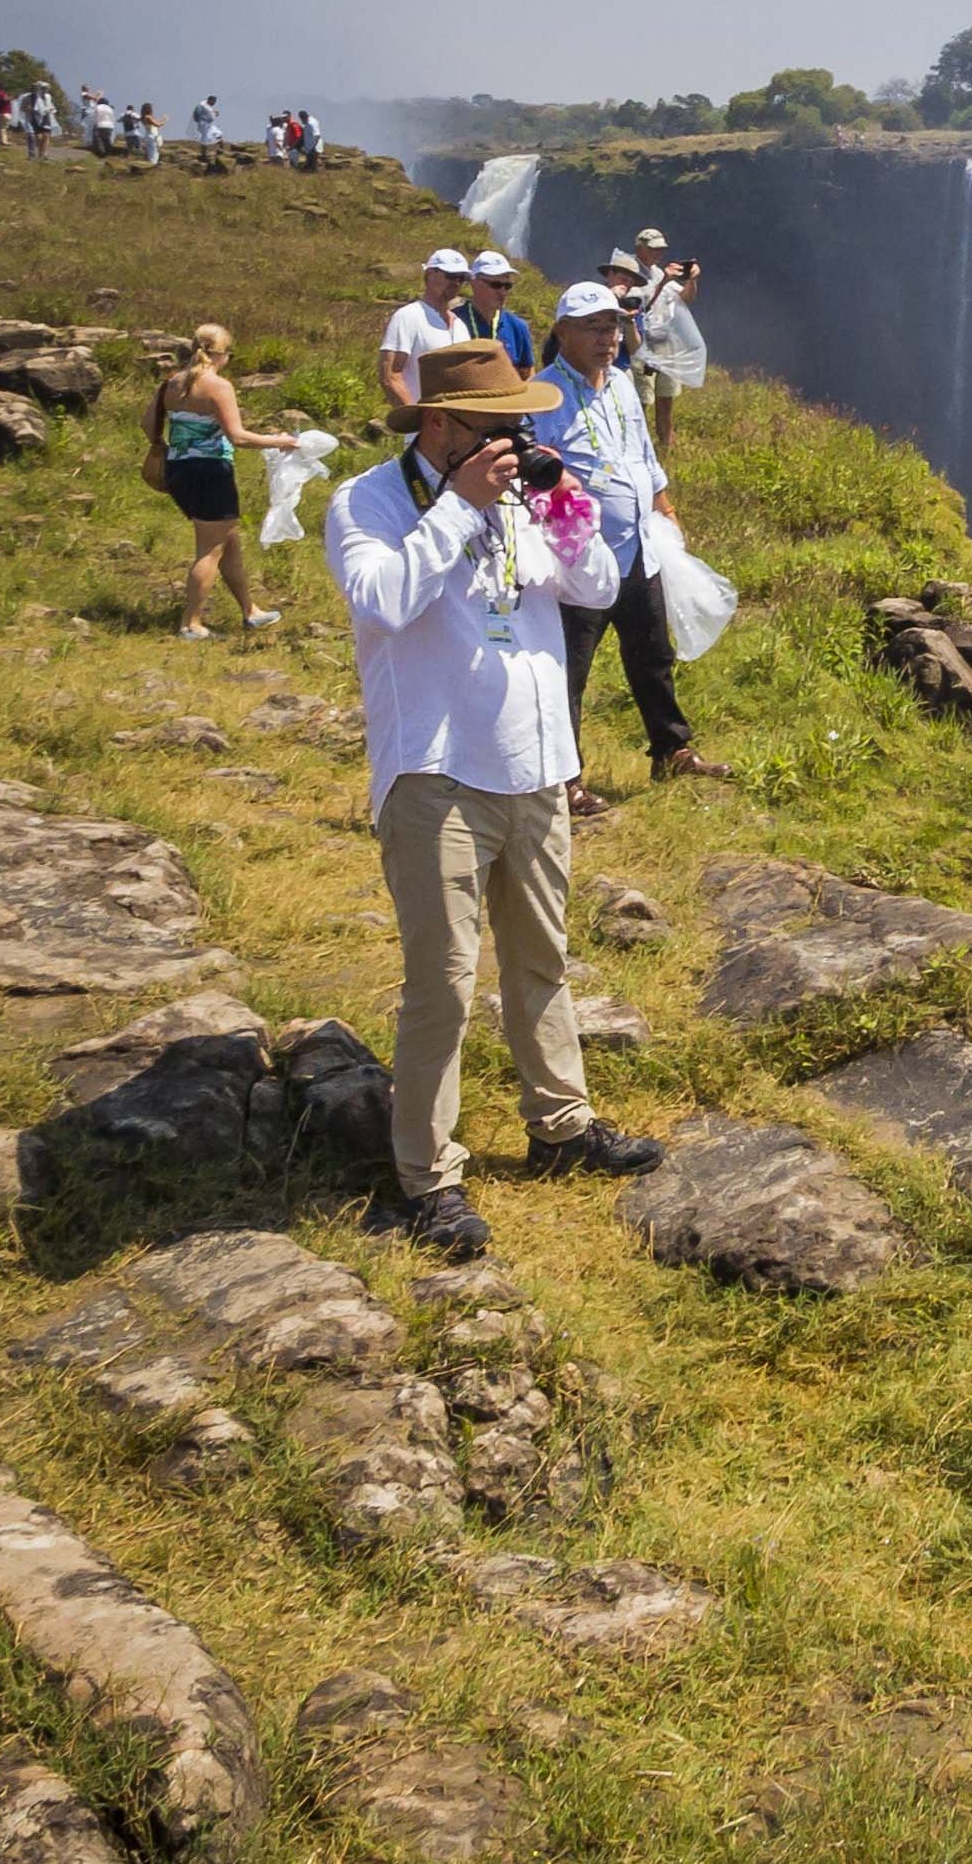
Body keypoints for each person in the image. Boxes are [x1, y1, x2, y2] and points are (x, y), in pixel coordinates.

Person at [322, 339, 664, 1260]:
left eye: (522, 425)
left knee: (543, 958)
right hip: (436, 768)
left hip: (536, 764)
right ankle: (426, 1178)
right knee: (441, 982)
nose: (515, 441)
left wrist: (556, 499)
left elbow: (595, 582)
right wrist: (458, 508)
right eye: (496, 428)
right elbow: (381, 599)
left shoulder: (523, 493)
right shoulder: (370, 501)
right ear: (440, 425)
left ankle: (561, 1127)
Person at [538, 282, 734, 815]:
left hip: (637, 550)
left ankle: (672, 749)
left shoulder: (623, 383)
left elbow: (643, 456)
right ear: (563, 333)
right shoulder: (542, 396)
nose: (608, 338)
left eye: (613, 326)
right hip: (577, 560)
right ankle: (564, 780)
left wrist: (665, 508)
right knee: (568, 671)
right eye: (594, 327)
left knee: (653, 656)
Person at [144, 325, 291, 639]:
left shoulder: (170, 384)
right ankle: (191, 623)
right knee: (210, 549)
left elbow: (148, 426)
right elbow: (237, 436)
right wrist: (277, 440)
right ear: (220, 354)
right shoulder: (217, 386)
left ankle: (250, 611)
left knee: (228, 542)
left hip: (178, 471)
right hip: (210, 472)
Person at [624, 230, 707, 457]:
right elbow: (639, 305)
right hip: (642, 345)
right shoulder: (629, 272)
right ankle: (632, 449)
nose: (658, 253)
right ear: (640, 247)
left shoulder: (659, 273)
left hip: (667, 345)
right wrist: (664, 281)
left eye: (660, 248)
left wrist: (692, 279)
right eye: (653, 248)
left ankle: (666, 451)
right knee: (640, 401)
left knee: (665, 403)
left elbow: (686, 299)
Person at [382, 249, 472, 414]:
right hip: (424, 432)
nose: (457, 283)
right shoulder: (408, 317)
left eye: (462, 278)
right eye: (451, 276)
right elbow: (390, 376)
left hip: (458, 429)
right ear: (430, 274)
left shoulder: (460, 326)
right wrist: (418, 420)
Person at [460, 252, 537, 373]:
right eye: (496, 285)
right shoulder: (454, 322)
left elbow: (528, 373)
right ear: (474, 283)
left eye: (507, 286)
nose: (503, 292)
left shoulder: (518, 326)